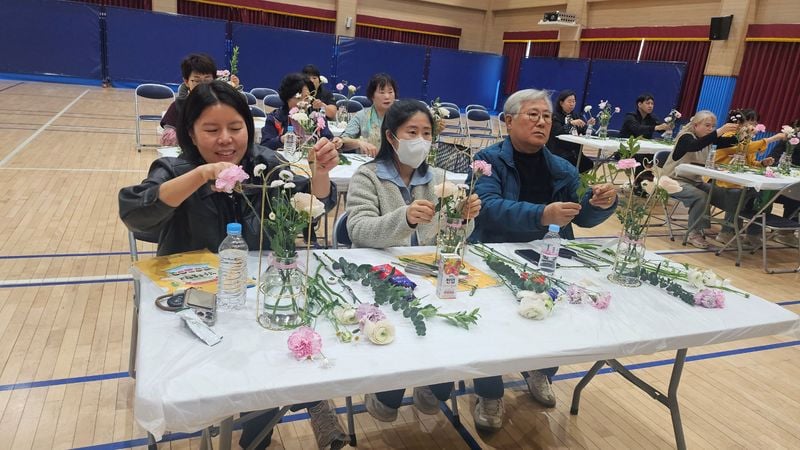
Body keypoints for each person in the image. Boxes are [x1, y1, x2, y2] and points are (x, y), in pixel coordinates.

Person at [119, 81, 346, 449]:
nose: (226, 139)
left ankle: (264, 430)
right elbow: (136, 212)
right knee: (249, 361)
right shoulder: (174, 167)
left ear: (248, 127)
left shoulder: (265, 164)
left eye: (235, 128)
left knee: (292, 340)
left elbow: (309, 205)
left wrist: (321, 172)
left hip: (260, 293)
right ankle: (302, 405)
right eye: (211, 130)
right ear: (191, 132)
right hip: (196, 300)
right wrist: (202, 175)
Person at [468, 88, 618, 431]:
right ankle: (489, 392)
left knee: (558, 319)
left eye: (547, 116)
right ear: (508, 121)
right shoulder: (488, 161)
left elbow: (582, 215)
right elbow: (487, 209)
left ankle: (540, 369)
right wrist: (543, 215)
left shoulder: (562, 168)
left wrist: (600, 203)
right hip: (494, 254)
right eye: (532, 114)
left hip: (551, 258)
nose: (541, 122)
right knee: (491, 327)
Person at [346, 99, 481, 421]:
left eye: (426, 133)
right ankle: (387, 392)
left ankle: (433, 386)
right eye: (412, 132)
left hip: (430, 272)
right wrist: (403, 218)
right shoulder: (368, 177)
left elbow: (454, 238)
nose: (420, 140)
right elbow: (358, 230)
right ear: (391, 137)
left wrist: (464, 219)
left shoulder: (436, 178)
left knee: (453, 317)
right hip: (382, 273)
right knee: (402, 321)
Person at [661, 111, 739, 248]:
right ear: (695, 125)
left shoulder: (708, 139)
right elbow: (695, 145)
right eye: (707, 125)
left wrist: (743, 133)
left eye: (713, 126)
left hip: (695, 181)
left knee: (731, 195)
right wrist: (720, 131)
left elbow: (730, 141)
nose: (711, 129)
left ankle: (727, 232)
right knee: (701, 196)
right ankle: (694, 233)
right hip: (672, 180)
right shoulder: (685, 137)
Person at [713, 108, 787, 246]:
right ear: (740, 122)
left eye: (755, 121)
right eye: (750, 121)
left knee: (765, 195)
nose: (753, 125)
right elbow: (743, 148)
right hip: (722, 179)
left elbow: (751, 162)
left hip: (743, 179)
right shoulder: (729, 136)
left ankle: (753, 232)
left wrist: (762, 163)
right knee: (737, 193)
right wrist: (773, 138)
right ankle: (727, 231)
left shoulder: (747, 138)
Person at [160, 54, 240, 146]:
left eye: (207, 80)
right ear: (186, 82)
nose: (202, 85)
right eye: (197, 81)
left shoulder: (223, 105)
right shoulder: (179, 105)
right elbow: (167, 141)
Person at [259, 73, 339, 152]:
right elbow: (264, 145)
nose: (303, 102)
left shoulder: (317, 117)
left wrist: (335, 142)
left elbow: (328, 138)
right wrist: (281, 140)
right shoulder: (275, 118)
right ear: (287, 97)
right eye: (298, 98)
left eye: (307, 98)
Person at [339, 73, 398, 157]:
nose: (387, 96)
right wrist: (358, 142)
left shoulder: (402, 116)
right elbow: (342, 141)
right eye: (382, 92)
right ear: (372, 96)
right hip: (367, 163)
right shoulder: (362, 115)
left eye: (390, 92)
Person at [767, 118, 800, 246]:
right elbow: (773, 160)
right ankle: (785, 232)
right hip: (780, 188)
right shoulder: (788, 141)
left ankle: (787, 231)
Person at [547, 89, 594, 173]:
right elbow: (557, 132)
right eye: (569, 101)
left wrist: (589, 126)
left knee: (588, 164)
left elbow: (584, 130)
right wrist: (571, 123)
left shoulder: (575, 115)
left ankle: (578, 183)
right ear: (561, 103)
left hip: (575, 152)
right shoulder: (555, 116)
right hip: (559, 151)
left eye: (574, 101)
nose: (572, 104)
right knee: (570, 163)